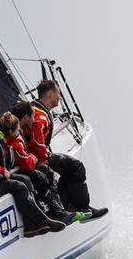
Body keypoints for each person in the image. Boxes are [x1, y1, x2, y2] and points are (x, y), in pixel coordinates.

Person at [0, 112, 66, 237]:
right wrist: (0, 170)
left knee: (25, 179)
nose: (19, 133)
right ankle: (43, 220)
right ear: (10, 131)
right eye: (17, 130)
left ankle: (31, 224)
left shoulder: (3, 140)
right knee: (18, 186)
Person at [29, 80, 109, 218]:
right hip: (36, 158)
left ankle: (68, 205)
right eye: (58, 93)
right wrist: (46, 159)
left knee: (67, 167)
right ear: (50, 95)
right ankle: (82, 207)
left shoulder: (36, 109)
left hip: (35, 156)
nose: (60, 97)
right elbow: (36, 144)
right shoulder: (40, 117)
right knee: (76, 167)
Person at [10, 101, 82, 225]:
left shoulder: (20, 129)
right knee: (42, 174)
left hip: (18, 165)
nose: (34, 119)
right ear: (26, 117)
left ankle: (62, 209)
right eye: (32, 116)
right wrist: (34, 158)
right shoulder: (15, 133)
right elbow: (25, 159)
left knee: (46, 171)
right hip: (12, 168)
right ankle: (57, 213)